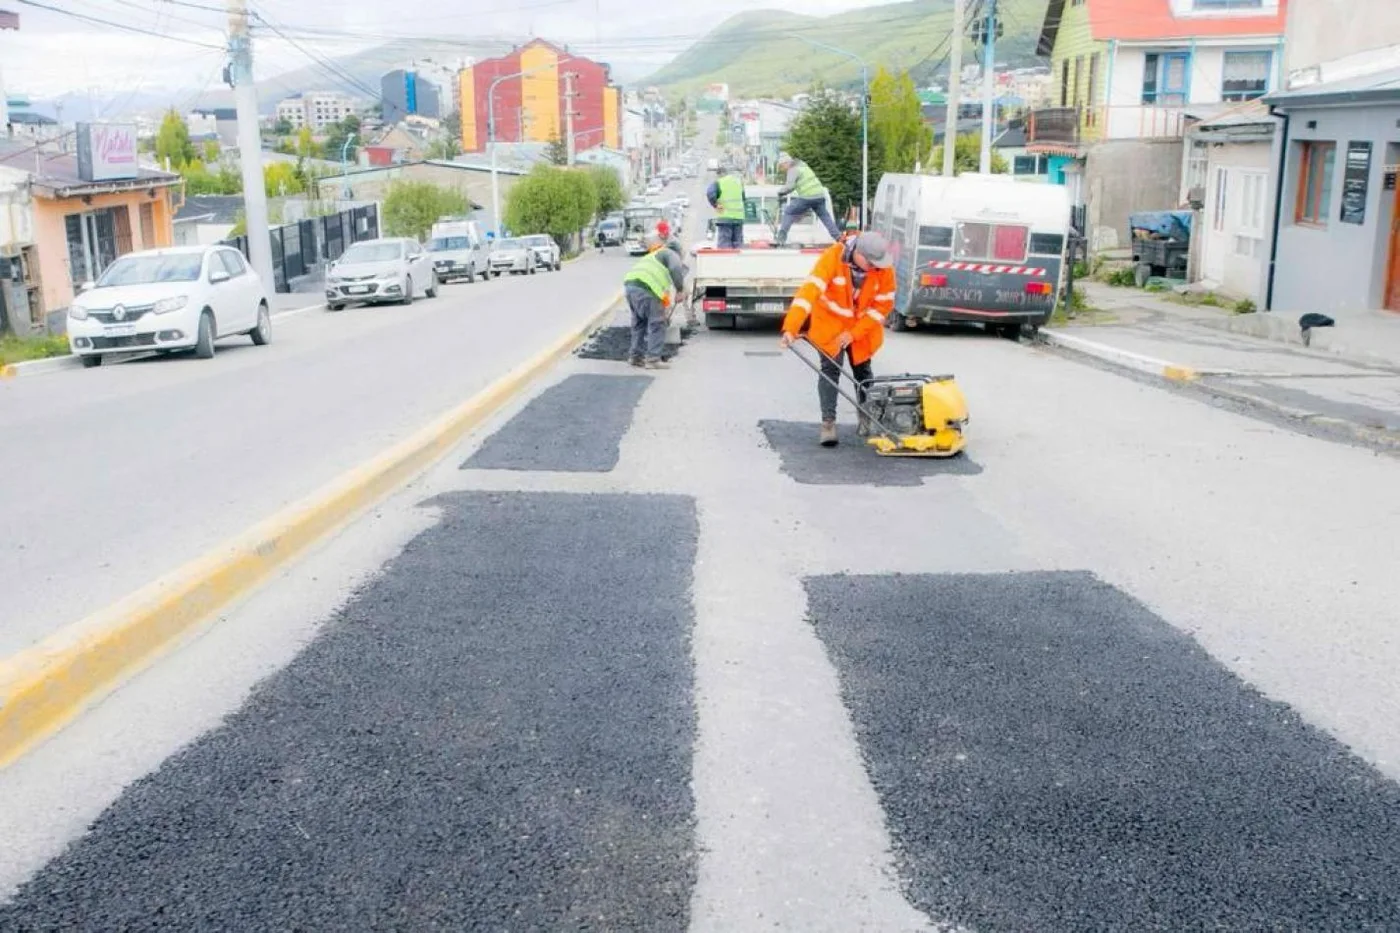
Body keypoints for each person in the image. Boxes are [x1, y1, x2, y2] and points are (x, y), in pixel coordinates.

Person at [780, 232, 898, 447]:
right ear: (858, 253)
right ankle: (828, 424)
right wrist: (791, 327)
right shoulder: (832, 258)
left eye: (877, 263)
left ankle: (867, 418)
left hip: (861, 327)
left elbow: (883, 306)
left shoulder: (883, 268)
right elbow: (808, 293)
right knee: (831, 369)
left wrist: (854, 333)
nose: (874, 267)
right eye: (870, 262)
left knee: (862, 371)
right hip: (831, 323)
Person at [624, 232, 687, 370]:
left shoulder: (653, 256)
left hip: (630, 286)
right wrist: (680, 290)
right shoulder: (671, 253)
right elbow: (676, 268)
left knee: (639, 322)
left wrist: (665, 307)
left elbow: (662, 293)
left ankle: (635, 357)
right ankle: (653, 359)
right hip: (646, 287)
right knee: (657, 323)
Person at [775, 152, 842, 246]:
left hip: (807, 197)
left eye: (782, 166)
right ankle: (839, 237)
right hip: (819, 195)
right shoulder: (803, 165)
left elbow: (789, 186)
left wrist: (780, 192)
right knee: (825, 217)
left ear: (786, 163)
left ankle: (781, 238)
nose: (783, 169)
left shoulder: (792, 169)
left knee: (789, 211)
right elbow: (796, 185)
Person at [705, 165, 745, 249]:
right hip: (738, 218)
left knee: (724, 247)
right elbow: (743, 198)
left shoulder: (719, 182)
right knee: (738, 246)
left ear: (720, 174)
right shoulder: (738, 182)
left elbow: (710, 193)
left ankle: (726, 262)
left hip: (725, 218)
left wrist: (716, 205)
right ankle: (737, 262)